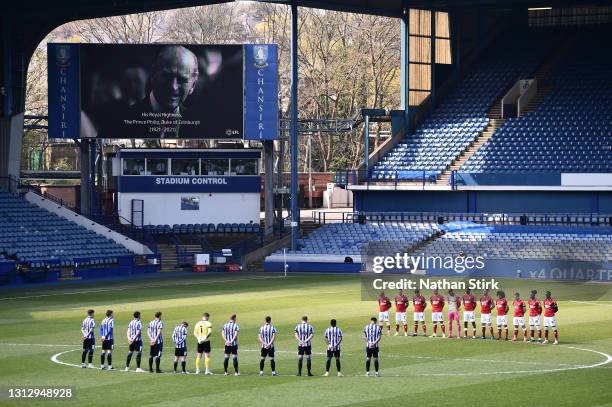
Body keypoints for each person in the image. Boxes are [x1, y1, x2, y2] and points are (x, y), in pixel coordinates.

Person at [127, 45, 200, 138]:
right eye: (167, 76)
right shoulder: (122, 120)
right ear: (153, 74)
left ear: (193, 85)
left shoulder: (200, 128)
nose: (173, 87)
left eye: (182, 80)